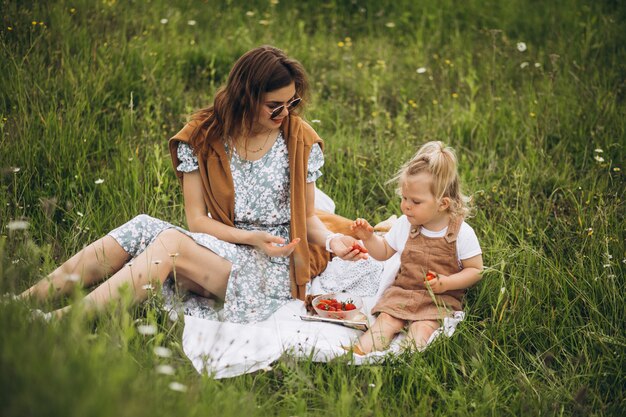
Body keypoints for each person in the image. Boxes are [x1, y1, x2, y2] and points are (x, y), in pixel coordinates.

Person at [20, 45, 366, 323]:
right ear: (245, 97)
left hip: (273, 269)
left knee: (171, 243)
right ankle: (23, 302)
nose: (285, 115)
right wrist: (249, 238)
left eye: (292, 103)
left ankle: (64, 322)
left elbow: (307, 220)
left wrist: (334, 241)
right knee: (142, 226)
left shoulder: (299, 139)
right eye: (274, 107)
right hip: (228, 244)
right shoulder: (203, 136)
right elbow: (197, 221)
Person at [349, 141, 483, 354]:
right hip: (404, 291)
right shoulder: (405, 224)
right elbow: (383, 252)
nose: (406, 206)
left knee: (423, 327)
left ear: (443, 204)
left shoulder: (461, 232)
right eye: (404, 198)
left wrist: (447, 282)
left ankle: (406, 362)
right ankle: (356, 355)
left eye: (416, 201)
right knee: (386, 320)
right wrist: (368, 238)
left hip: (439, 299)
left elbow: (475, 270)